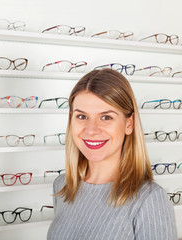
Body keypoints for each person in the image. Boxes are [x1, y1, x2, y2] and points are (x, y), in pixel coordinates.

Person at [47, 69, 177, 239]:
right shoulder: (63, 186)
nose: (92, 130)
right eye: (82, 116)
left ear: (129, 124)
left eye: (106, 117)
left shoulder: (149, 200)